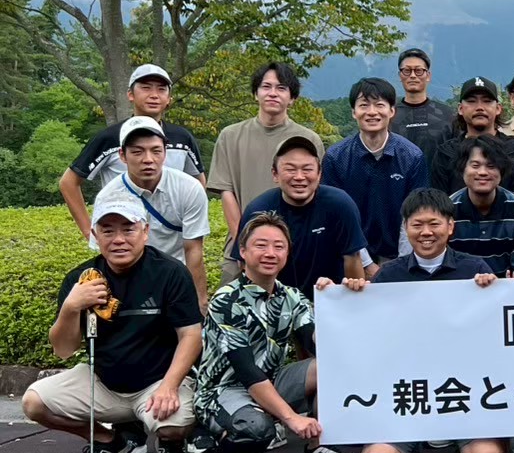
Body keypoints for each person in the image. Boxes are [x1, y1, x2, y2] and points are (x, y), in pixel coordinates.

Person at [344, 189, 514, 453]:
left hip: (464, 395)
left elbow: (502, 324)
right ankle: (413, 445)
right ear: (406, 228)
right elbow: (366, 329)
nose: (426, 232)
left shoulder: (474, 270)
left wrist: (512, 287)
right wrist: (344, 294)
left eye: (434, 224)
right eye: (417, 225)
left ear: (450, 226)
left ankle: (481, 440)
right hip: (408, 397)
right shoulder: (388, 276)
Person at [21, 195, 201, 453]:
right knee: (34, 403)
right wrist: (71, 307)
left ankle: (170, 443)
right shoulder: (81, 278)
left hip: (157, 382)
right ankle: (108, 440)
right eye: (107, 231)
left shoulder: (170, 273)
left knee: (174, 425)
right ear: (95, 235)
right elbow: (64, 350)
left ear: (145, 231)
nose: (118, 239)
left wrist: (169, 386)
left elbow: (191, 335)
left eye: (128, 229)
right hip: (103, 382)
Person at [194, 212, 360, 453]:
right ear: (243, 252)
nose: (270, 253)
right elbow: (247, 373)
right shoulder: (227, 300)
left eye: (279, 246)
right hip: (225, 391)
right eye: (261, 245)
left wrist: (334, 301)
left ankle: (318, 449)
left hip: (271, 381)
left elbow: (320, 343)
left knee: (332, 366)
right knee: (255, 429)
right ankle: (224, 449)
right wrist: (292, 418)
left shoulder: (290, 296)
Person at [59, 64, 206, 242]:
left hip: (174, 244)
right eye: (146, 88)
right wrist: (90, 233)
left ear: (169, 98)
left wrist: (192, 226)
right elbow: (69, 182)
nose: (154, 95)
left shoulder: (182, 138)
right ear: (130, 94)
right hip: (124, 244)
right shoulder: (110, 138)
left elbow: (198, 181)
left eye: (161, 89)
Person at [207, 60, 323, 281]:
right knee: (235, 301)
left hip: (295, 247)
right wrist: (244, 243)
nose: (273, 93)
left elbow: (314, 193)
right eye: (266, 86)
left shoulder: (309, 140)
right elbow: (226, 192)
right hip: (241, 247)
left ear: (292, 98)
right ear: (255, 93)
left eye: (281, 88)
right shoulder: (230, 136)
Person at [93, 117, 211, 315]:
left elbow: (193, 249)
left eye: (156, 151)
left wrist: (199, 301)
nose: (148, 159)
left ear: (165, 152)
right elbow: (107, 253)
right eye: (137, 152)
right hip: (129, 279)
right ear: (122, 155)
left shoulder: (189, 188)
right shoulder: (108, 196)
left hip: (176, 276)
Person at [233, 135, 368, 295]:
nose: (299, 177)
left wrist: (353, 299)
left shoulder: (340, 205)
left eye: (307, 169)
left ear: (319, 174)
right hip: (276, 299)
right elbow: (244, 263)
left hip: (328, 296)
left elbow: (352, 258)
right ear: (275, 174)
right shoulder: (258, 210)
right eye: (290, 169)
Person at [321, 76, 428, 270]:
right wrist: (366, 264)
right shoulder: (336, 157)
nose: (372, 112)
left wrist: (400, 265)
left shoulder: (412, 156)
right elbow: (336, 215)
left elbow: (415, 214)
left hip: (400, 257)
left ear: (392, 111)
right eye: (364, 105)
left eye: (379, 105)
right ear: (354, 112)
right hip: (349, 257)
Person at [428, 77, 514, 203]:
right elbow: (439, 204)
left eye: (487, 101)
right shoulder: (446, 153)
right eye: (472, 101)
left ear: (498, 108)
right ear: (460, 109)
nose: (479, 107)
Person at [448, 135, 514, 275]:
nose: (482, 172)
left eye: (491, 166)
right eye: (475, 165)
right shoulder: (448, 210)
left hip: (507, 287)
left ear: (501, 171)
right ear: (462, 169)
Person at [389, 47, 456, 158]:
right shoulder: (389, 117)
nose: (413, 75)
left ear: (428, 76)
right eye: (407, 71)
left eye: (418, 71)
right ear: (400, 75)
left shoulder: (448, 115)